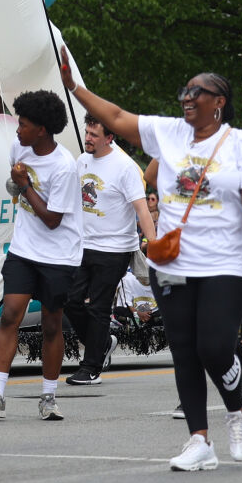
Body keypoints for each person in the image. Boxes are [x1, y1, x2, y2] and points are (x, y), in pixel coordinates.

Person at [63, 54, 242, 472]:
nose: (188, 98)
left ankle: (237, 409)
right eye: (185, 92)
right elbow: (118, 116)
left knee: (214, 347)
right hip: (175, 263)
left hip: (227, 263)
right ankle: (200, 440)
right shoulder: (170, 133)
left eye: (198, 92)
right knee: (185, 351)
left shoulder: (241, 143)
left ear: (219, 102)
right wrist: (75, 88)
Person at [0, 89, 81, 421]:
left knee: (51, 324)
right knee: (10, 315)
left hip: (59, 254)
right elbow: (15, 185)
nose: (17, 130)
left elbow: (51, 219)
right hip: (24, 249)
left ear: (42, 130)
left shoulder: (64, 167)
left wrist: (24, 185)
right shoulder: (19, 147)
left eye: (23, 124)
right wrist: (17, 183)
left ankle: (48, 397)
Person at [64, 109, 155, 385]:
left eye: (94, 134)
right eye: (87, 132)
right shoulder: (82, 161)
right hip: (83, 245)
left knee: (99, 307)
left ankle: (91, 368)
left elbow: (142, 209)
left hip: (116, 248)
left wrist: (155, 245)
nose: (88, 138)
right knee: (70, 300)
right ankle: (102, 342)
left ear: (109, 137)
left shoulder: (125, 167)